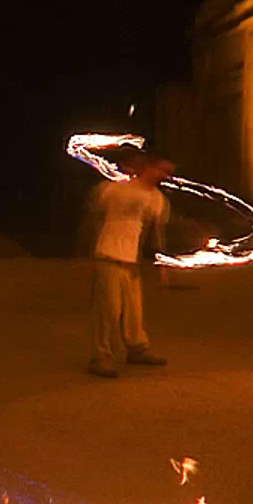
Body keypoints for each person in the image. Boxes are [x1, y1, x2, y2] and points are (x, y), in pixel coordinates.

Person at [84, 154, 174, 378]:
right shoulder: (114, 188)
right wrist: (88, 256)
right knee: (109, 309)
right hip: (108, 253)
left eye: (168, 172)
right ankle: (100, 357)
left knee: (134, 309)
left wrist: (159, 263)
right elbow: (94, 219)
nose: (165, 176)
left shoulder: (156, 198)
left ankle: (137, 349)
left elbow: (154, 233)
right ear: (149, 168)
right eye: (162, 170)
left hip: (130, 259)